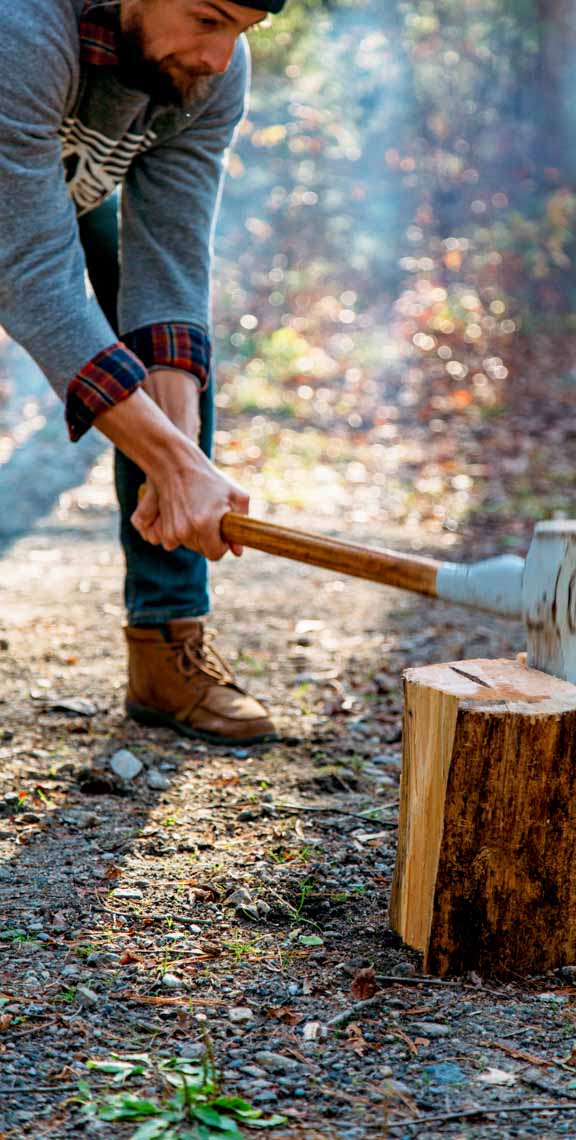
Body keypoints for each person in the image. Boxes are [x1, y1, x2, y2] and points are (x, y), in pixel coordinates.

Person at [0, 0, 288, 744]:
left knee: (171, 345)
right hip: (18, 210)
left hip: (46, 195)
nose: (220, 57)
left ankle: (166, 652)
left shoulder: (210, 75)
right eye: (207, 18)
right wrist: (166, 457)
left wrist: (180, 459)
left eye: (242, 30)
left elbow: (170, 270)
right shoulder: (20, 30)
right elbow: (29, 274)